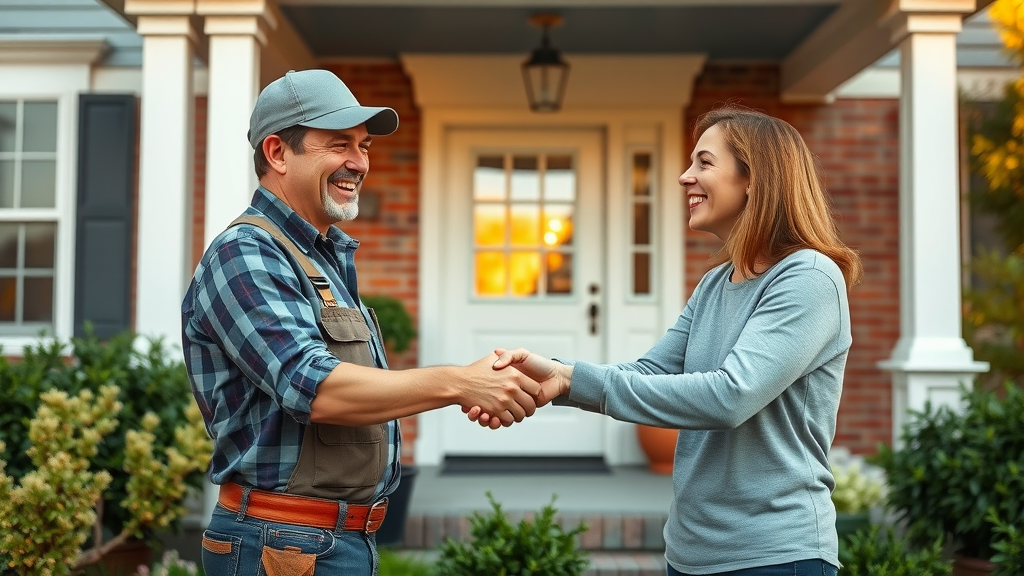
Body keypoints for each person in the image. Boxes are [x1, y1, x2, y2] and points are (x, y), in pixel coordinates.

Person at [471, 106, 862, 575]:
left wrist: (575, 379)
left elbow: (729, 396)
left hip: (774, 555)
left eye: (704, 162)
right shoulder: (717, 283)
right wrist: (555, 375)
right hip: (690, 552)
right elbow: (651, 371)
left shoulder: (808, 278)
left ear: (754, 178)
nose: (684, 177)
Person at [181, 69, 541, 576]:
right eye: (338, 144)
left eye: (364, 145)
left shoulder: (319, 257)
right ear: (278, 153)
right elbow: (315, 388)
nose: (358, 162)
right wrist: (461, 383)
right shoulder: (245, 254)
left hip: (330, 542)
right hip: (278, 545)